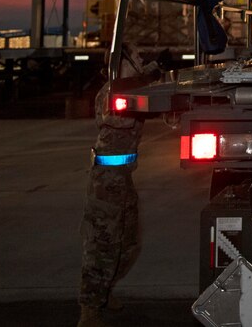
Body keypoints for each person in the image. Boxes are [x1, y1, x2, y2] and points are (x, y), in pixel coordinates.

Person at [77, 46, 156, 327]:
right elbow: (119, 119)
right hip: (106, 180)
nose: (140, 60)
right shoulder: (109, 93)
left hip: (123, 177)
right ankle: (89, 307)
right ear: (120, 64)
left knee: (129, 241)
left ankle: (106, 289)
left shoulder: (131, 87)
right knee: (102, 243)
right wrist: (147, 84)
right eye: (135, 58)